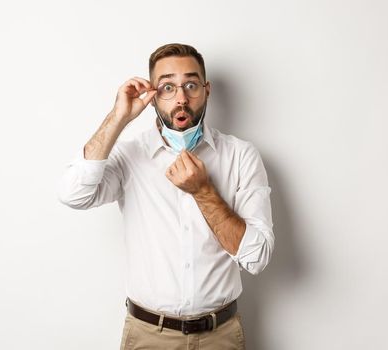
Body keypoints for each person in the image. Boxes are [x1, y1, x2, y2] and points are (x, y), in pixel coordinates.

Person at [57, 43, 274, 350]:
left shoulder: (241, 156)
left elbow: (257, 257)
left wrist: (203, 191)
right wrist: (118, 117)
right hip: (148, 336)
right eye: (168, 87)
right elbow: (73, 194)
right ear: (153, 95)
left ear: (206, 90)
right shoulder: (131, 155)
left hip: (221, 336)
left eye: (191, 85)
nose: (181, 98)